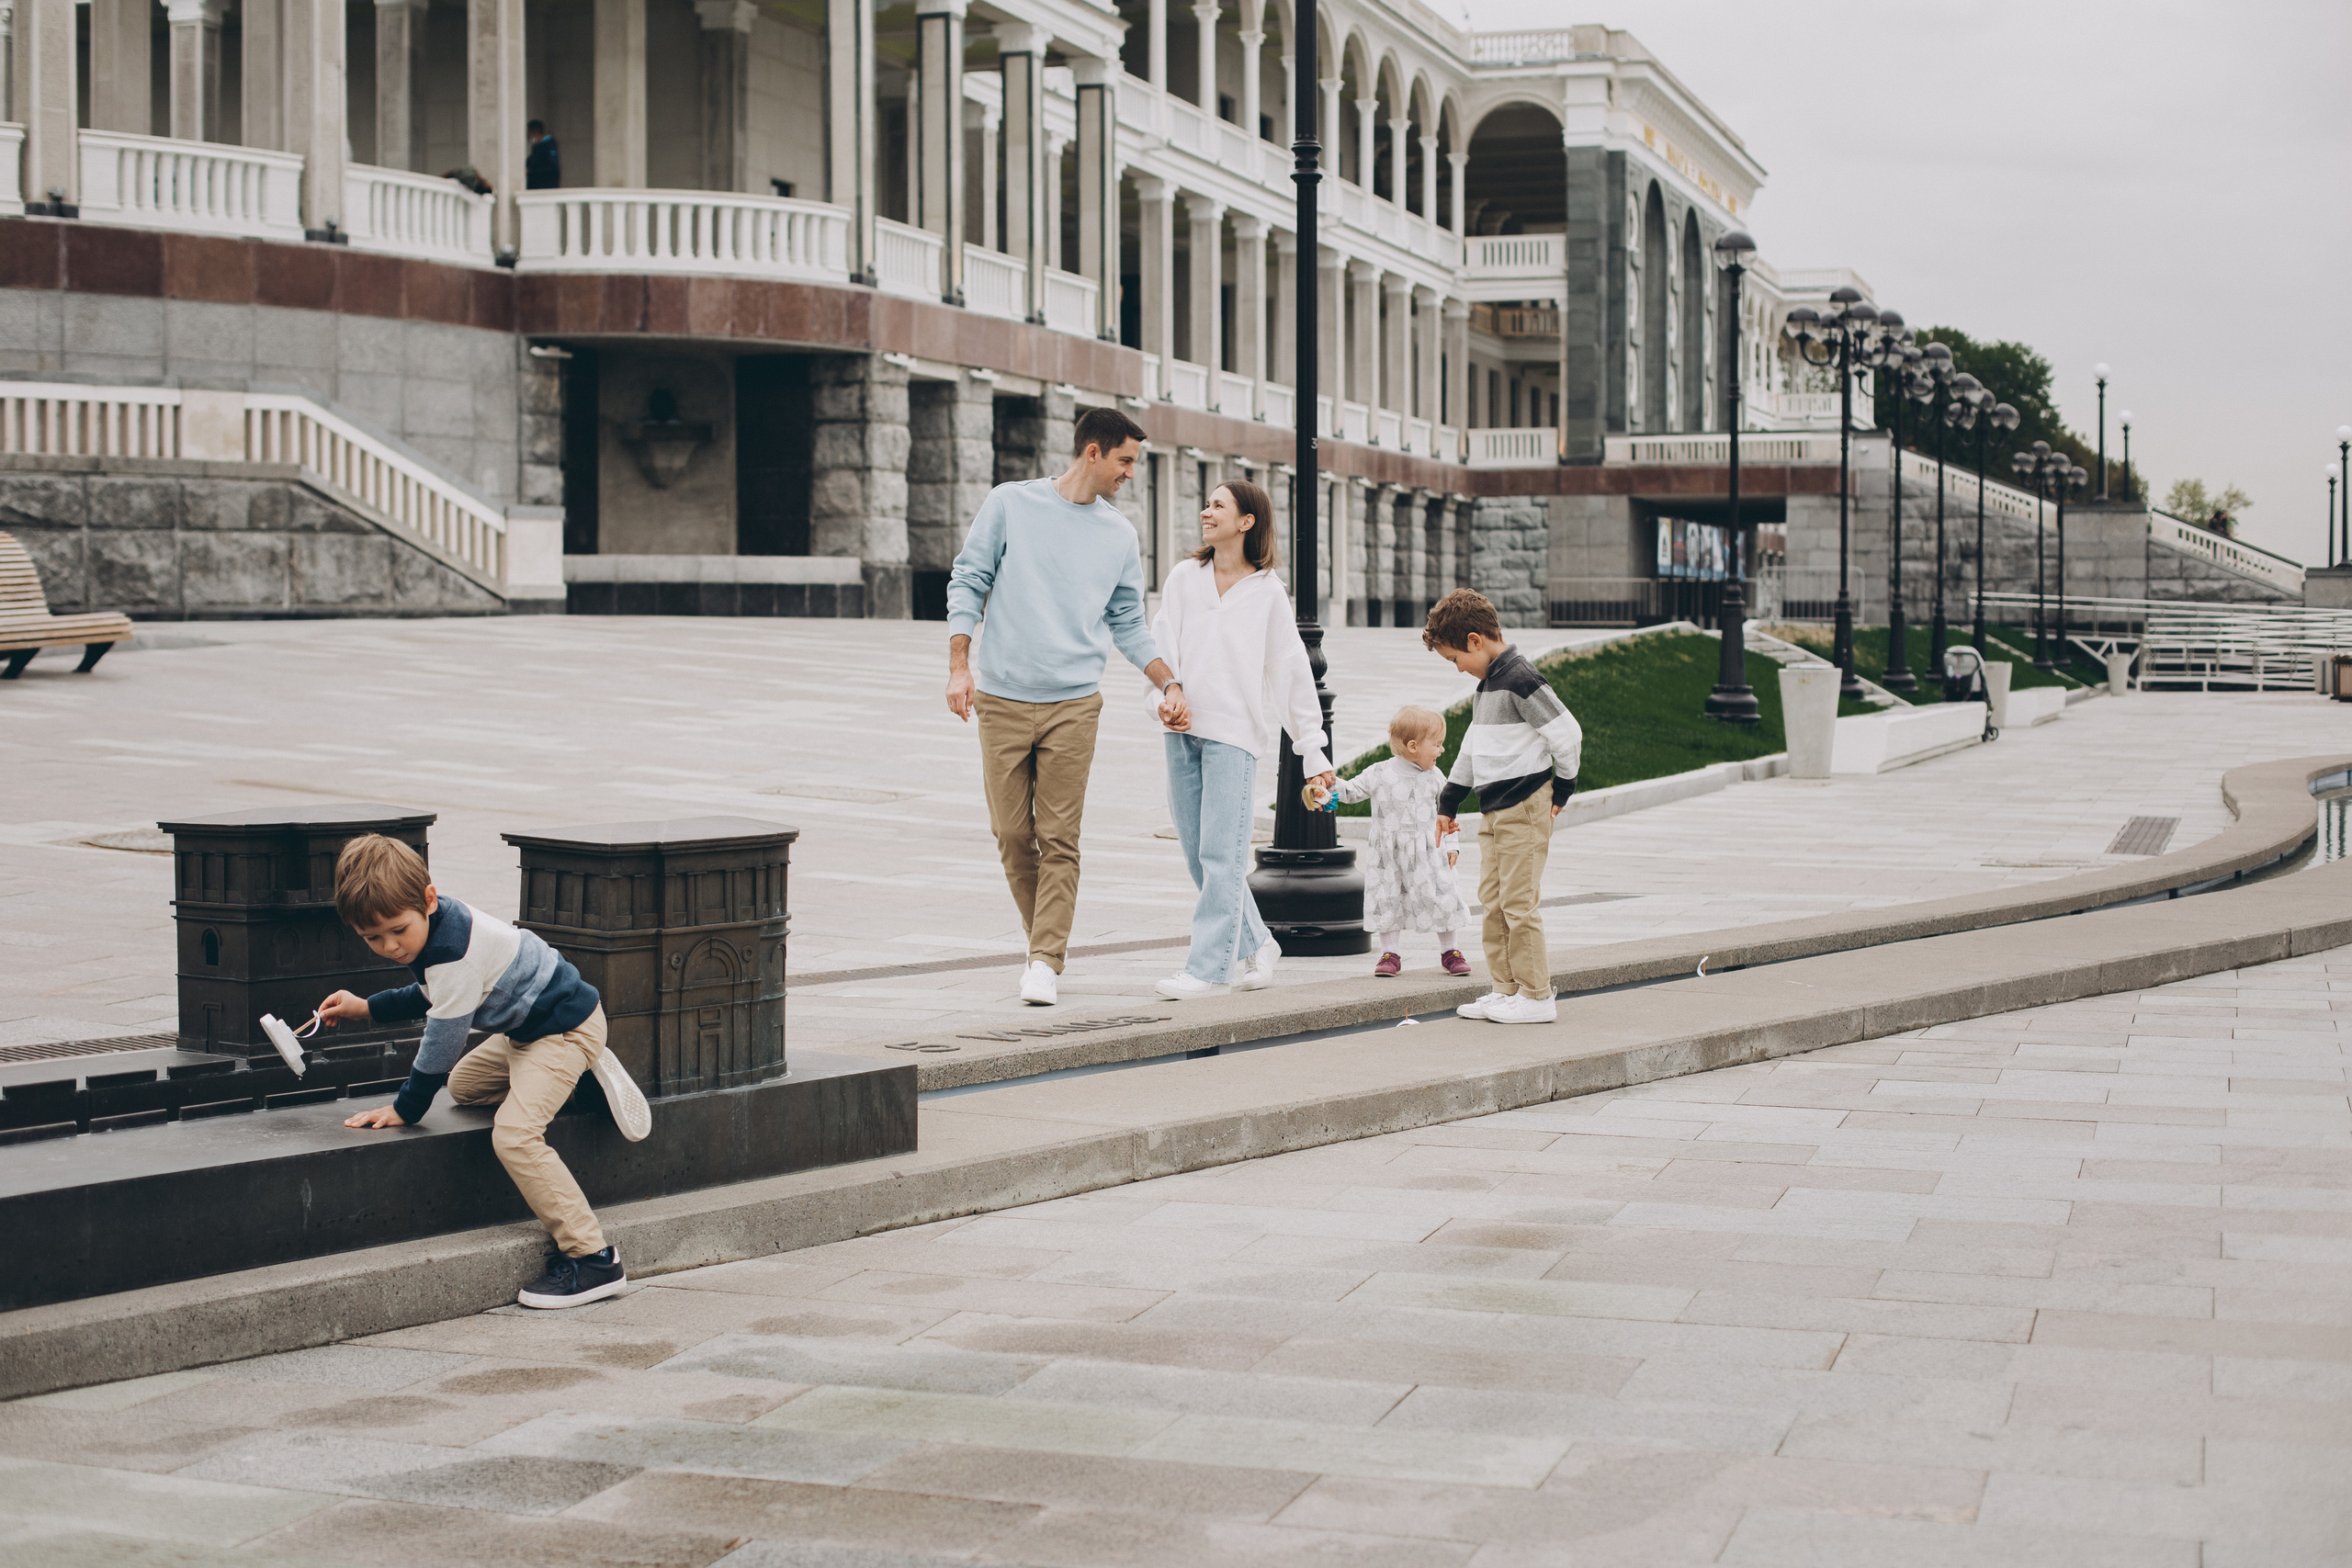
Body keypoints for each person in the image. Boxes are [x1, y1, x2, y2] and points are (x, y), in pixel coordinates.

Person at [318, 833, 651, 1309]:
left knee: (514, 1136)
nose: (390, 946)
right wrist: (365, 1007)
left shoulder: (454, 953)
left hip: (564, 1030)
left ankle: (593, 1259)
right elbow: (431, 994)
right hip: (527, 1031)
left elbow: (442, 1040)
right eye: (373, 938)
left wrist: (406, 1108)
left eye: (397, 930)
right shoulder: (438, 926)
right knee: (465, 1086)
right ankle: (581, 1084)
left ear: (428, 899)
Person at [945, 407, 1190, 1007]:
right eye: (1125, 460)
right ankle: (1044, 943)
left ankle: (1044, 960)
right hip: (1002, 698)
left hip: (1074, 704)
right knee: (1011, 834)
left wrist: (1169, 681)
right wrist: (959, 665)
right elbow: (969, 579)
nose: (1130, 473)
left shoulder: (1118, 535)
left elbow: (1128, 620)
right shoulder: (1010, 503)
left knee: (1058, 837)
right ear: (1093, 452)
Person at [1146, 479, 1331, 999]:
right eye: (1206, 504)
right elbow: (1160, 647)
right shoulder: (1184, 578)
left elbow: (1291, 672)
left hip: (1233, 737)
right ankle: (1259, 942)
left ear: (1247, 522)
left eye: (1218, 506)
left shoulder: (1267, 591)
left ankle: (1208, 970)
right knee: (1199, 857)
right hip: (1180, 731)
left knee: (1221, 858)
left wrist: (1312, 750)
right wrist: (1163, 700)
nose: (1206, 512)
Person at [1424, 589, 1582, 1025]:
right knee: (1492, 901)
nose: (1458, 668)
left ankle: (1536, 996)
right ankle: (1505, 989)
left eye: (1455, 658)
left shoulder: (1521, 678)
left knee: (1518, 903)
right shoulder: (1488, 685)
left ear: (1475, 641)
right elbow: (1473, 746)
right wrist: (1449, 799)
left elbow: (1567, 734)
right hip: (1494, 810)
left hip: (1524, 806)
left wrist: (1563, 787)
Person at [1308, 705, 1473, 978]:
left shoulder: (1435, 777)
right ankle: (1390, 954)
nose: (1442, 750)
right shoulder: (1379, 772)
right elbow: (1351, 791)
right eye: (1437, 744)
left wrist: (1452, 844)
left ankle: (1450, 951)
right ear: (1413, 746)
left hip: (1428, 851)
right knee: (1387, 898)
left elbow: (1447, 814)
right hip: (1388, 854)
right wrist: (1327, 785)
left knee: (1441, 895)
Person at [525, 120, 560, 189]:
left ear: (535, 131)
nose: (527, 135)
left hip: (546, 186)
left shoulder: (550, 144)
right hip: (535, 186)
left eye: (529, 132)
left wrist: (531, 171)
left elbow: (552, 168)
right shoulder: (536, 147)